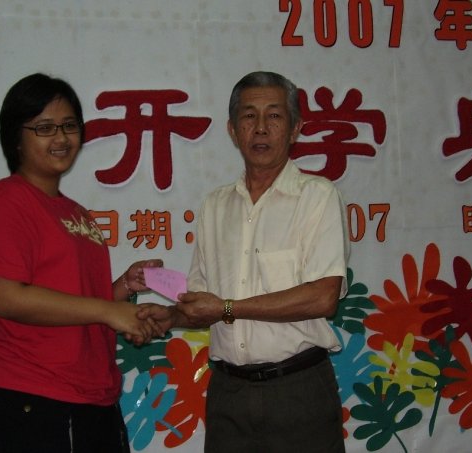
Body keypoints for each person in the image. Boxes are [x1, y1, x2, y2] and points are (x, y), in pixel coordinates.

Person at [139, 71, 350, 452]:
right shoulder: (215, 206)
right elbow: (205, 304)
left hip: (298, 391)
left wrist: (227, 308)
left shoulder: (317, 197)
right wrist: (170, 317)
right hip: (229, 393)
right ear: (233, 131)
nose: (261, 128)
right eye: (249, 116)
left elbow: (323, 298)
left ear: (295, 129)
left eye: (274, 116)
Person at [0, 73, 164, 453]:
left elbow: (75, 303)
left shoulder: (77, 214)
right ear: (16, 137)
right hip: (31, 400)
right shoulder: (4, 200)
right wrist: (109, 311)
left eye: (69, 125)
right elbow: (8, 298)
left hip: (94, 400)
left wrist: (123, 288)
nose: (60, 138)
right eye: (44, 128)